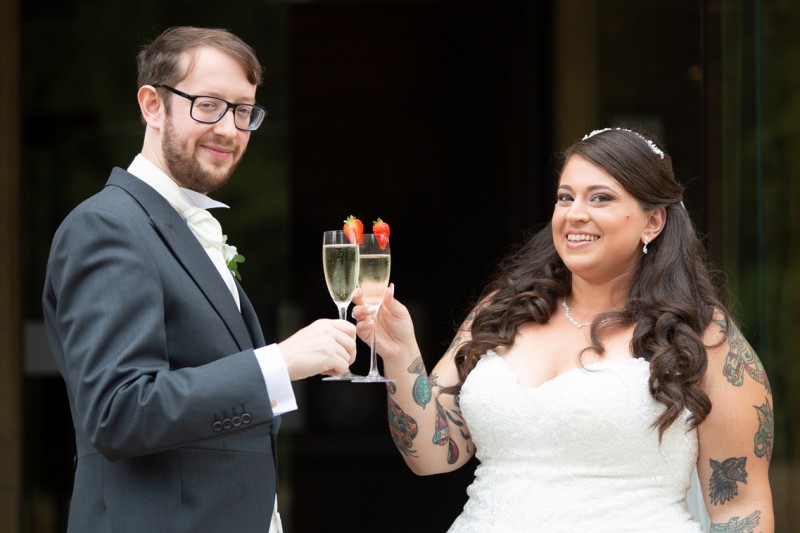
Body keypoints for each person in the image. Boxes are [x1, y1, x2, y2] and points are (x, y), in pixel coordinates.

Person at [353, 127, 774, 532]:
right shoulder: (503, 309)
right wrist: (400, 353)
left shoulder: (699, 333)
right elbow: (432, 454)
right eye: (565, 197)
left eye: (601, 198)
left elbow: (742, 508)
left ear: (653, 222)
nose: (575, 214)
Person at [42, 26, 357, 533]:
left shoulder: (184, 223)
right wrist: (278, 363)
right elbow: (118, 412)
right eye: (208, 105)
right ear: (151, 105)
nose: (230, 130)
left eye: (243, 111)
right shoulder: (107, 226)